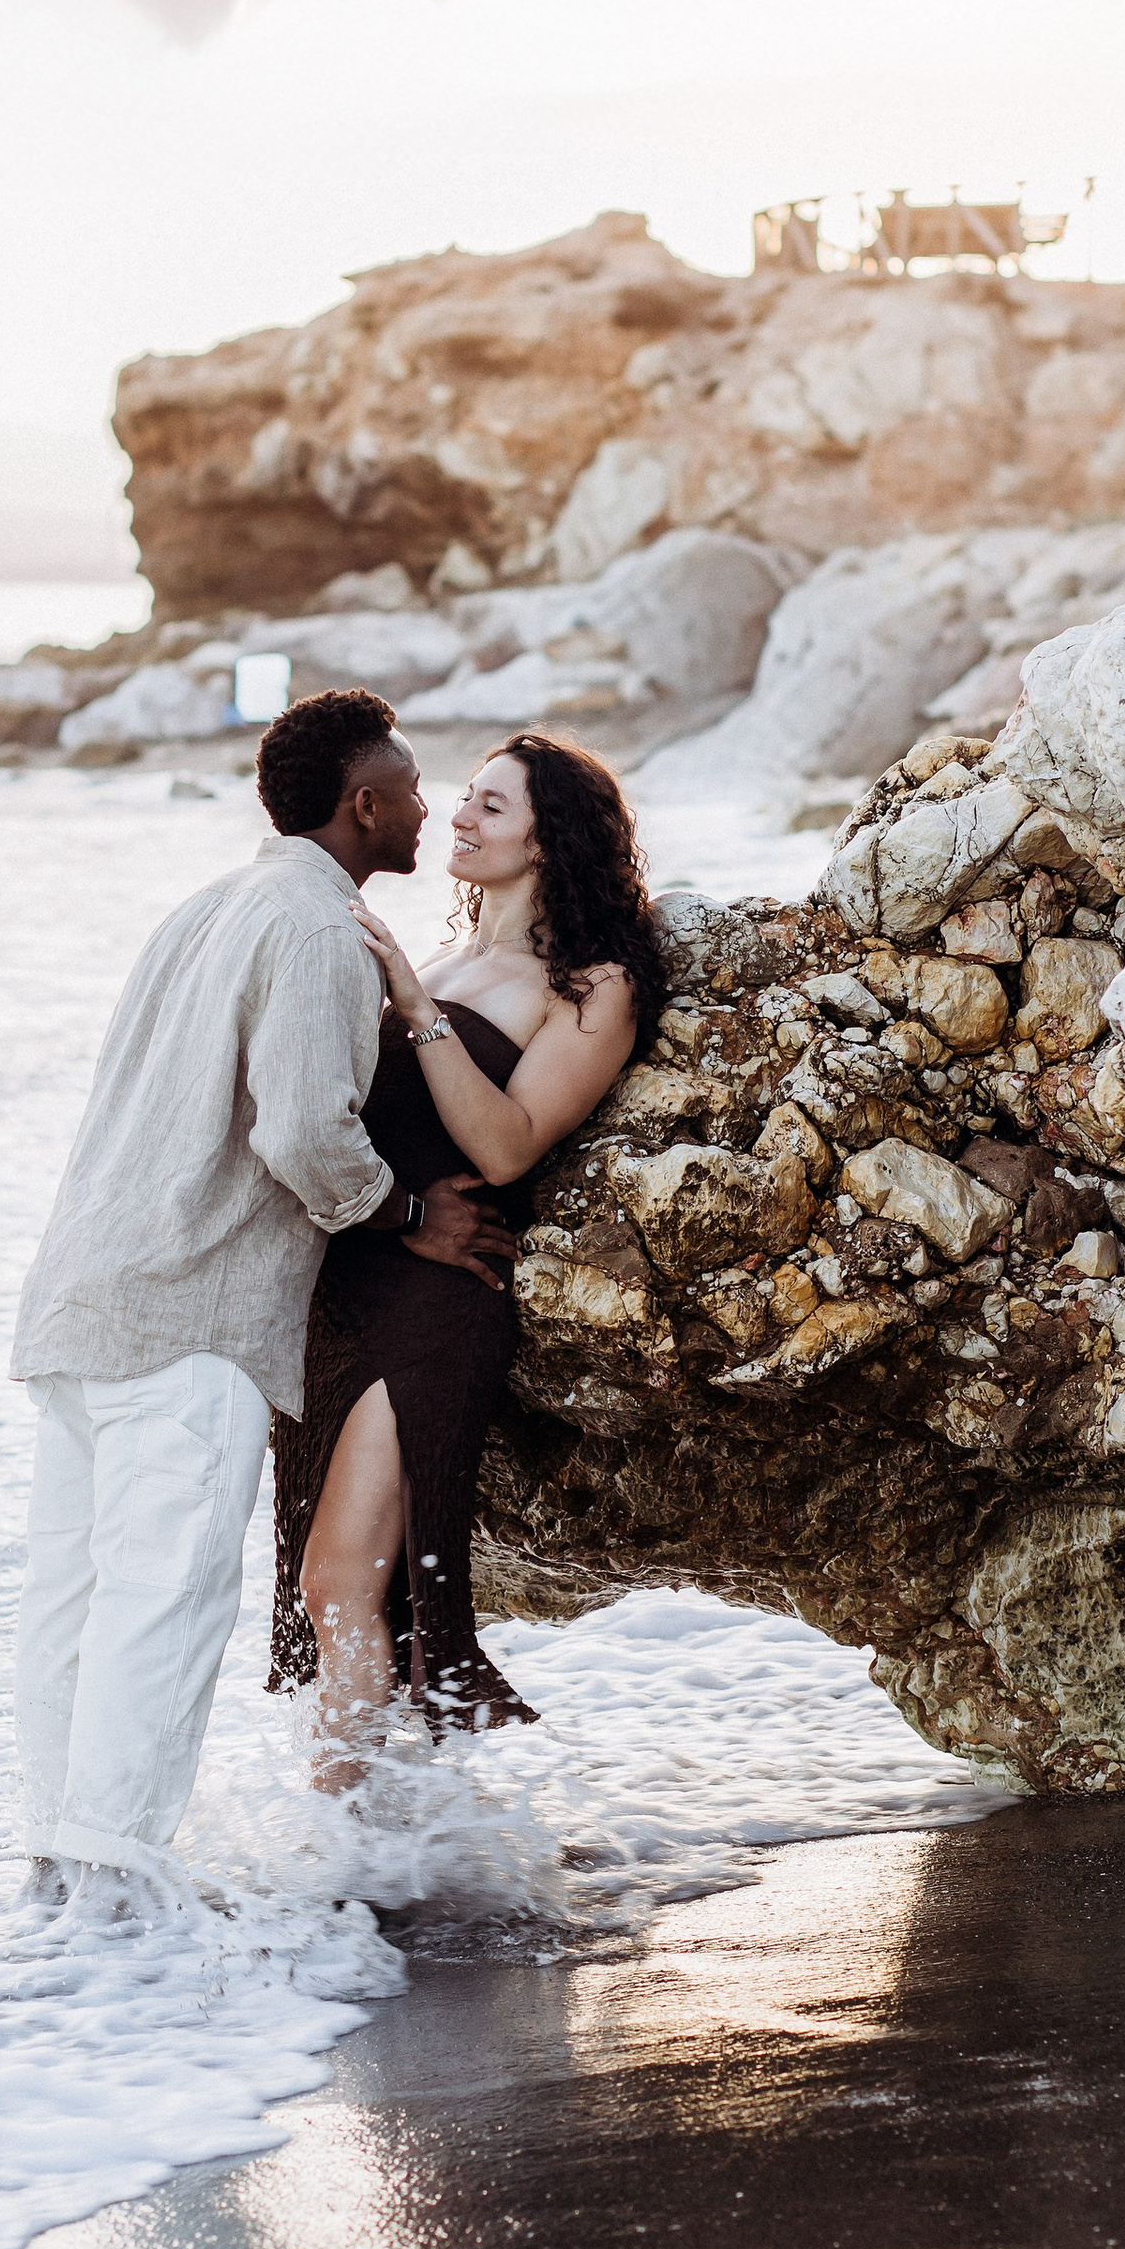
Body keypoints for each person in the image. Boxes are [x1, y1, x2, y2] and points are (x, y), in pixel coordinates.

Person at [9, 688, 513, 1888]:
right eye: (411, 787)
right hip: (192, 1315)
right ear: (364, 804)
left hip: (81, 1293)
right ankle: (116, 1883)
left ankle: (58, 1860)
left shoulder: (205, 909)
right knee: (165, 1601)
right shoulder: (313, 928)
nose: (427, 805)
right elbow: (303, 1132)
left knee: (70, 1602)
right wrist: (408, 1215)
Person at [269, 728, 670, 1775]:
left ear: (549, 839)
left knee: (340, 1582)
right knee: (342, 1593)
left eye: (492, 805)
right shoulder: (441, 952)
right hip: (351, 1279)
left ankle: (341, 1862)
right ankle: (397, 1838)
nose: (458, 815)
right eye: (465, 797)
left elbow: (504, 1147)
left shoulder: (592, 982)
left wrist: (414, 1010)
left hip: (442, 1297)